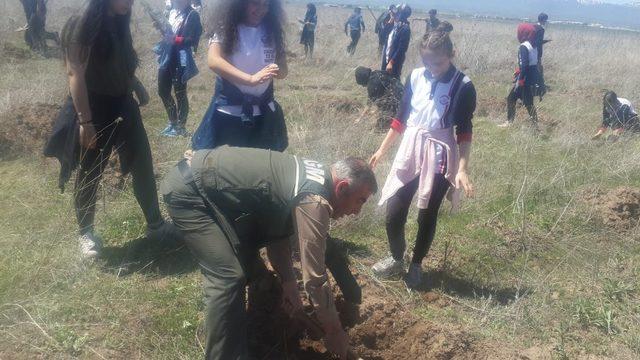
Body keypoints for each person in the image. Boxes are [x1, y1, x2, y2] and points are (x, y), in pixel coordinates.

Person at [161, 146, 377, 359]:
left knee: (241, 267)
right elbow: (315, 279)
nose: (357, 212)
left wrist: (290, 286)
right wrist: (334, 332)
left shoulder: (315, 178)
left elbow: (278, 236)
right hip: (191, 193)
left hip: (213, 192)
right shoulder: (314, 200)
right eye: (360, 201)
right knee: (227, 277)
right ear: (342, 188)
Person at [45, 0, 174, 259]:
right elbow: (75, 74)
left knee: (142, 165)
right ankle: (86, 234)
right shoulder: (81, 23)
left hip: (123, 104)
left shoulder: (118, 19)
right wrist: (85, 122)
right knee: (90, 171)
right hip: (94, 108)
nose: (129, 2)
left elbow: (118, 59)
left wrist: (135, 84)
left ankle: (156, 225)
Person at [369, 22, 476, 289]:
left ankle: (416, 265)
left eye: (438, 63)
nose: (432, 68)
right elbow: (401, 118)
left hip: (440, 151)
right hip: (410, 147)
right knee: (394, 209)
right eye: (427, 62)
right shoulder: (415, 76)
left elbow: (463, 131)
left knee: (426, 214)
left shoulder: (463, 85)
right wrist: (381, 150)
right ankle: (396, 258)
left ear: (452, 54)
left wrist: (462, 168)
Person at [191, 0, 289, 151]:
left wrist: (277, 69)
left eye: (266, 5)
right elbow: (213, 60)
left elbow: (283, 71)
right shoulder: (226, 27)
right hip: (229, 112)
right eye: (255, 3)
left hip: (263, 114)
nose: (261, 9)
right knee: (224, 166)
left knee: (257, 167)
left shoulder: (271, 31)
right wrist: (250, 79)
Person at [158, 0, 203, 137]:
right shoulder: (171, 12)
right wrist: (160, 29)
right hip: (167, 55)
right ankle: (172, 122)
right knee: (162, 90)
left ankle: (181, 127)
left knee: (180, 93)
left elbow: (193, 39)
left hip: (181, 57)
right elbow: (168, 32)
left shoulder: (192, 14)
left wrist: (175, 40)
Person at [500, 23, 540, 128]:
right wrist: (519, 70)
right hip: (531, 77)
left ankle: (510, 122)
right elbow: (532, 64)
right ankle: (535, 125)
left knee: (515, 99)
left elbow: (525, 64)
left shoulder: (524, 46)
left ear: (523, 33)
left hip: (525, 79)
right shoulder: (534, 45)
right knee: (526, 102)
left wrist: (520, 81)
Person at [381, 4, 411, 79]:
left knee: (392, 82)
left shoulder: (405, 28)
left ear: (402, 14)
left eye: (396, 13)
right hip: (386, 59)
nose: (393, 14)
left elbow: (402, 48)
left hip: (394, 62)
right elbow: (382, 35)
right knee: (383, 80)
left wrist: (391, 62)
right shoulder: (393, 25)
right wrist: (389, 22)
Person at [534, 12, 548, 97]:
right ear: (543, 20)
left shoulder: (534, 27)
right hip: (537, 52)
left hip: (531, 49)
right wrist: (544, 42)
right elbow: (538, 42)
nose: (546, 21)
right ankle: (538, 85)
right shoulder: (541, 29)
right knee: (538, 68)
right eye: (545, 20)